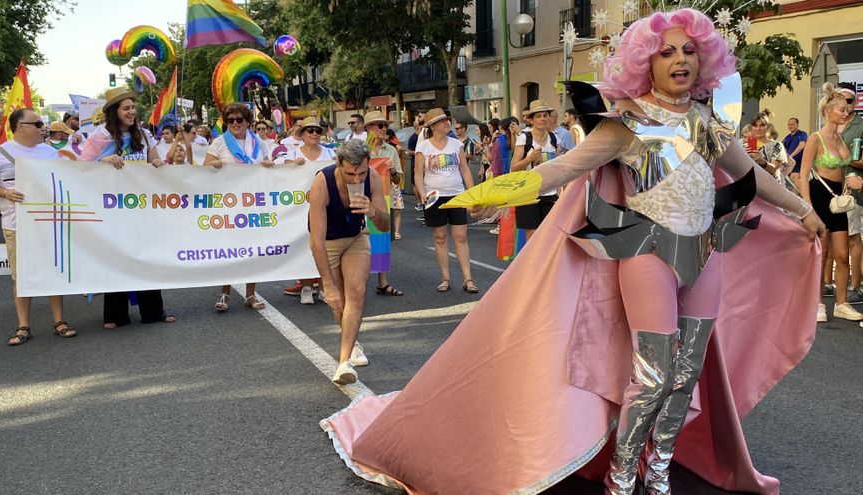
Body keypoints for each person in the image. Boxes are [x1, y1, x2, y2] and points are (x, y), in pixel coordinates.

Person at [321, 9, 822, 495]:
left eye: (690, 50)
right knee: (653, 375)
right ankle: (622, 478)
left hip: (706, 255)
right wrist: (487, 194)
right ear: (645, 61)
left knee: (686, 374)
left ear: (705, 60)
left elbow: (749, 176)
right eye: (666, 51)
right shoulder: (626, 123)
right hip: (646, 253)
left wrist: (803, 211)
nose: (679, 60)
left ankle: (659, 470)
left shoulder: (708, 125)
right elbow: (559, 171)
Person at [80, 88, 175, 329]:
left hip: (142, 209)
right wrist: (103, 160)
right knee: (116, 257)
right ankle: (114, 315)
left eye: (133, 107)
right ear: (115, 112)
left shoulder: (143, 135)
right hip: (112, 210)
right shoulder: (98, 137)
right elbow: (81, 169)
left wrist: (155, 163)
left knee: (147, 257)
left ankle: (154, 310)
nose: (132, 112)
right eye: (126, 108)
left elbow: (155, 162)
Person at [0, 108, 78, 345]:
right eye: (37, 124)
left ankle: (59, 321)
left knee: (53, 270)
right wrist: (5, 192)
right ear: (20, 126)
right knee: (21, 275)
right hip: (17, 225)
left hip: (47, 222)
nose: (42, 127)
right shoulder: (0, 153)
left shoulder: (48, 152)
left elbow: (68, 178)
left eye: (42, 123)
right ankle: (23, 325)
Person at [308, 139, 389, 384]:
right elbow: (316, 240)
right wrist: (328, 285)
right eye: (350, 173)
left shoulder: (372, 177)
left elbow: (385, 226)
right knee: (339, 300)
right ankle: (351, 340)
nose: (356, 179)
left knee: (357, 293)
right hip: (329, 242)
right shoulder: (322, 181)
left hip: (356, 237)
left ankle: (343, 362)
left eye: (361, 172)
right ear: (338, 165)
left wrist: (372, 212)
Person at [203, 102, 274, 312]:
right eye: (230, 120)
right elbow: (203, 168)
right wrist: (213, 165)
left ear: (248, 122)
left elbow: (270, 166)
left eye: (239, 120)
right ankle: (225, 292)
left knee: (254, 249)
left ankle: (251, 294)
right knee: (229, 249)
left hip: (253, 204)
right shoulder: (219, 143)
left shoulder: (260, 143)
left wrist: (269, 166)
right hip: (228, 205)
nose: (235, 123)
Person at [799, 83, 860, 322]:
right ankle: (817, 304)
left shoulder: (843, 140)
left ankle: (841, 303)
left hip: (839, 199)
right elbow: (804, 174)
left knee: (843, 255)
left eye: (847, 109)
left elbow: (848, 168)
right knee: (821, 254)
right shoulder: (816, 138)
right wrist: (807, 207)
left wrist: (854, 179)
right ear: (827, 111)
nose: (846, 113)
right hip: (819, 196)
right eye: (841, 110)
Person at [414, 108, 477, 293]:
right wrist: (421, 192)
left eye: (447, 120)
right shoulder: (423, 147)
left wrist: (472, 194)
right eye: (442, 121)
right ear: (433, 126)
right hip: (434, 197)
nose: (447, 123)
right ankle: (446, 278)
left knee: (461, 237)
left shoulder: (456, 144)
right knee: (440, 237)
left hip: (456, 194)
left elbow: (465, 170)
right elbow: (418, 173)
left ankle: (468, 279)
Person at [277, 116, 335, 305]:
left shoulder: (329, 154)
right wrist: (290, 166)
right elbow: (275, 174)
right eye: (310, 131)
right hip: (299, 208)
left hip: (325, 206)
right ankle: (307, 286)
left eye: (318, 131)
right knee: (303, 246)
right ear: (302, 134)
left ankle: (325, 287)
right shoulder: (291, 154)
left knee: (326, 245)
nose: (314, 134)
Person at [364, 111, 404, 296]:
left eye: (385, 125)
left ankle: (382, 282)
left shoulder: (391, 150)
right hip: (361, 199)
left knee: (381, 238)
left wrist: (393, 171)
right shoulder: (358, 149)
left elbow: (397, 181)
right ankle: (358, 284)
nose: (384, 129)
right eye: (380, 126)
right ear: (369, 128)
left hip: (382, 200)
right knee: (361, 241)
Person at [511, 100, 560, 239]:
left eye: (545, 115)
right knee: (533, 237)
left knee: (550, 235)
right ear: (531, 120)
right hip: (528, 193)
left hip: (549, 193)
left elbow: (558, 167)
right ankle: (533, 261)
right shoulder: (524, 139)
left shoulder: (554, 139)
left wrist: (561, 189)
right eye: (538, 116)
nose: (543, 119)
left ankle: (546, 262)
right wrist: (529, 159)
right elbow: (513, 168)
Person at [838, 82, 863, 308]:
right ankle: (832, 283)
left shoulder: (860, 125)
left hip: (853, 189)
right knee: (835, 238)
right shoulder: (832, 124)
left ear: (854, 102)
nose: (842, 104)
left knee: (853, 237)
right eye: (838, 99)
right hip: (831, 189)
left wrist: (845, 158)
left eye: (847, 100)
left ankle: (856, 286)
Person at [746, 109, 790, 185]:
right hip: (751, 188)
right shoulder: (746, 145)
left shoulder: (777, 145)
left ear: (768, 127)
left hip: (771, 188)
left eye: (762, 125)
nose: (758, 129)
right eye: (755, 126)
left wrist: (761, 161)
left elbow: (774, 169)